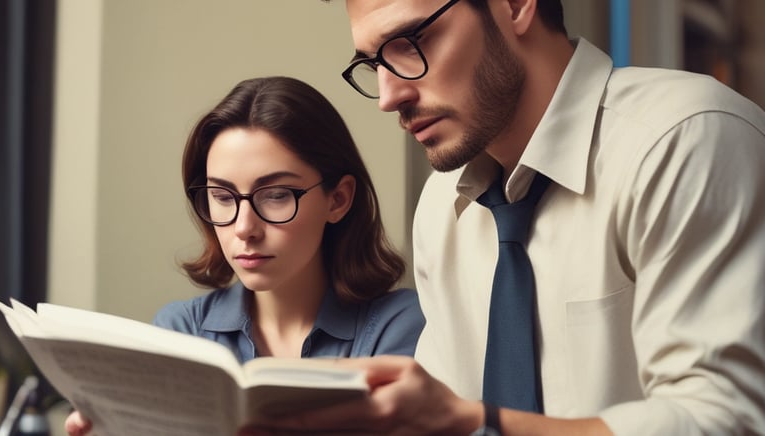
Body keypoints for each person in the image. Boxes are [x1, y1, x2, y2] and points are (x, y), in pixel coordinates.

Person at [240, 0, 765, 435]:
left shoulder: (685, 139)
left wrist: (474, 421)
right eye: (373, 63)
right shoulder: (442, 204)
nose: (389, 94)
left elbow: (723, 420)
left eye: (411, 43)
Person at [64, 76, 425, 435]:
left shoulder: (398, 327)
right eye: (222, 197)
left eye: (276, 194)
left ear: (338, 199)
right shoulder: (181, 332)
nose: (244, 228)